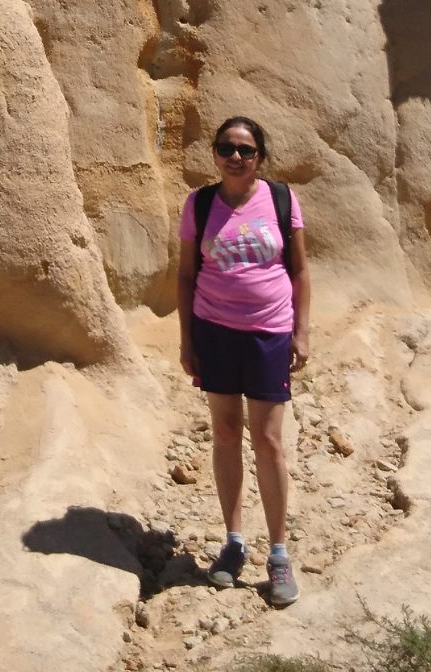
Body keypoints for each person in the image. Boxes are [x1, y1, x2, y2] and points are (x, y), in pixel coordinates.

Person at [177, 115, 311, 607]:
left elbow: (298, 268)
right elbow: (186, 274)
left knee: (269, 440)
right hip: (214, 331)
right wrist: (187, 339)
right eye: (227, 148)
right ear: (214, 154)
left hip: (269, 332)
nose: (236, 156)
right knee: (226, 432)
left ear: (260, 157)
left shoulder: (280, 200)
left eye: (246, 149)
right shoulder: (200, 204)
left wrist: (302, 330)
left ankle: (278, 554)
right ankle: (233, 543)